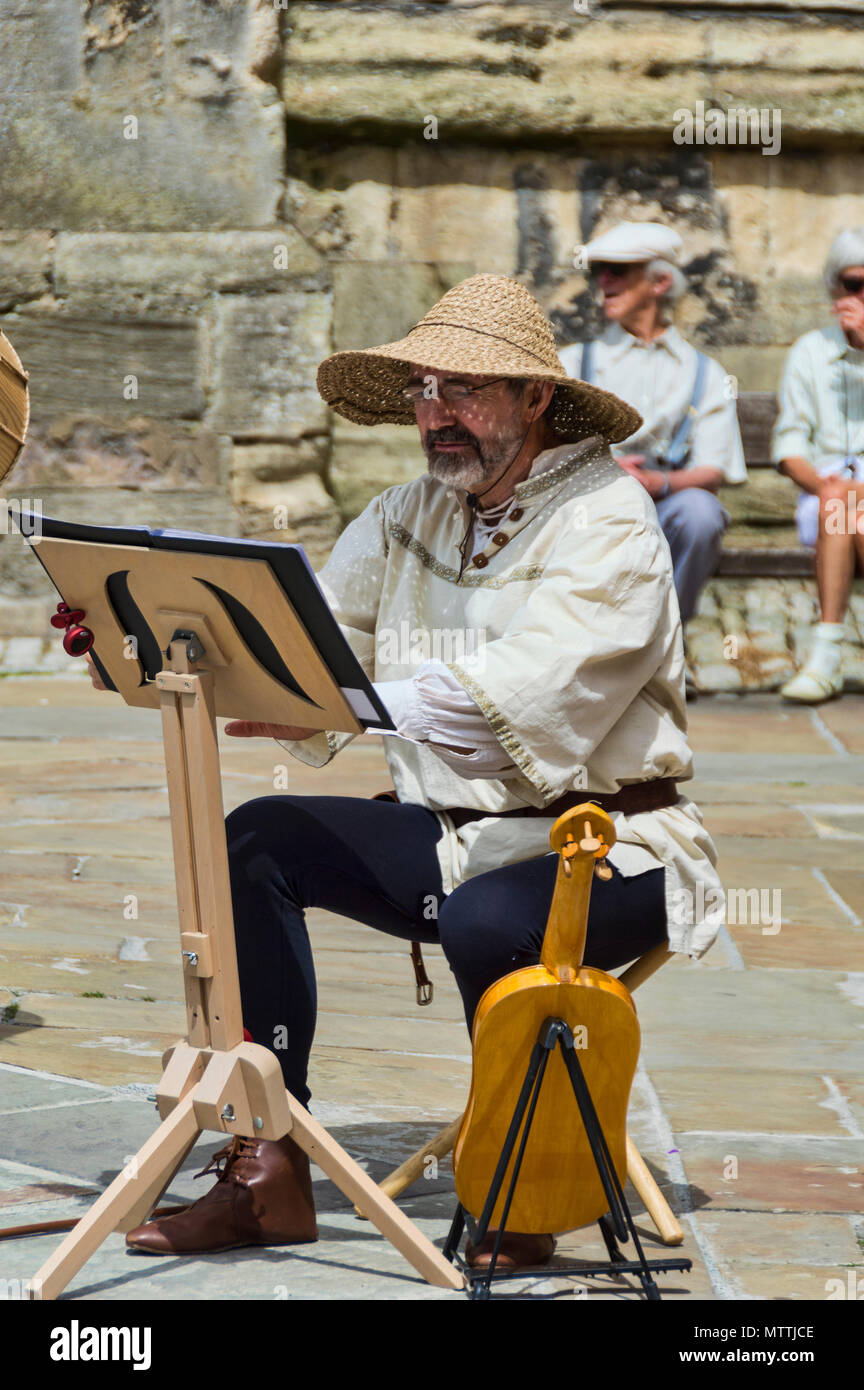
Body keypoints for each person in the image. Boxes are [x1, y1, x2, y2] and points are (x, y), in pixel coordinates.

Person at [112, 274, 723, 1271]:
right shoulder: (407, 510)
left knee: (492, 918)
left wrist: (347, 699)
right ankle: (270, 1161)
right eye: (423, 389)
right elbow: (305, 634)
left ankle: (531, 1181)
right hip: (461, 836)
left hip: (620, 842)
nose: (433, 413)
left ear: (534, 399)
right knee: (259, 841)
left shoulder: (609, 522)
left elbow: (517, 702)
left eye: (463, 390)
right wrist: (145, 635)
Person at [559, 222, 747, 638]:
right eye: (599, 271)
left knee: (702, 514)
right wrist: (604, 471)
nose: (603, 280)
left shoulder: (705, 372)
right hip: (590, 501)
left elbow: (712, 471)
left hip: (667, 500)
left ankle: (664, 642)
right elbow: (542, 450)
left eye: (618, 271)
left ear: (660, 281)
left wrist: (653, 481)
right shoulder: (573, 362)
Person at [775, 228, 864, 703]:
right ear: (836, 289)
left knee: (845, 507)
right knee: (837, 507)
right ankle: (828, 657)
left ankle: (824, 657)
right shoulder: (811, 350)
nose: (862, 297)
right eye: (854, 284)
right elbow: (790, 444)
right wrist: (824, 486)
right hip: (827, 497)